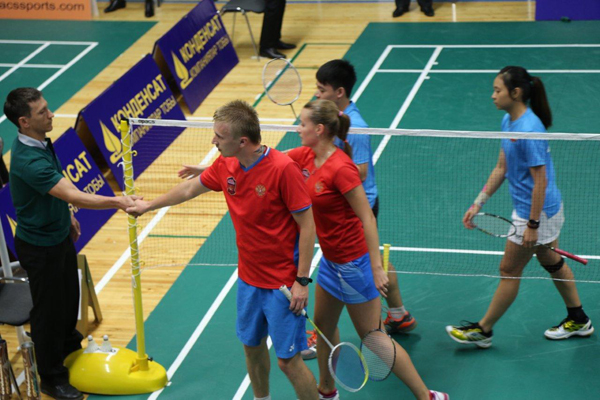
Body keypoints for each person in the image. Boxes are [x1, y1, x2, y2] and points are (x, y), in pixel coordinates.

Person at [127, 100, 319, 400]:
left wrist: (302, 281)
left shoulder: (283, 169)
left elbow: (308, 226)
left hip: (282, 284)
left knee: (289, 362)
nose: (213, 141)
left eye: (219, 136)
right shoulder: (226, 164)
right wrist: (149, 205)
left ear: (242, 141)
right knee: (252, 349)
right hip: (249, 280)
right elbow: (189, 188)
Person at [287, 99, 448, 400]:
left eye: (303, 123)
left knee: (374, 339)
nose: (298, 128)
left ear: (319, 129)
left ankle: (427, 396)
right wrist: (214, 169)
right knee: (323, 327)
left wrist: (376, 268)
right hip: (331, 263)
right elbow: (268, 164)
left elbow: (367, 218)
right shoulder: (306, 156)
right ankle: (327, 390)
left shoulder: (340, 168)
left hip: (353, 265)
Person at [4, 88, 137, 400]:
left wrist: (67, 217)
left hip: (58, 234)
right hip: (40, 247)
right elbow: (72, 193)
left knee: (67, 302)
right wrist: (118, 201)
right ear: (24, 122)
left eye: (47, 108)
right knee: (48, 312)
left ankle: (70, 352)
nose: (51, 114)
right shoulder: (28, 160)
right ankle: (51, 378)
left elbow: (61, 191)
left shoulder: (39, 141)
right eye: (42, 112)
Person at [446, 66, 594, 348]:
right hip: (533, 209)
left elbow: (541, 181)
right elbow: (502, 167)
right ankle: (578, 318)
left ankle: (483, 330)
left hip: (538, 212)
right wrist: (478, 202)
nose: (492, 95)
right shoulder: (508, 120)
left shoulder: (530, 129)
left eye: (497, 90)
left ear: (515, 93)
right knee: (550, 261)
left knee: (509, 269)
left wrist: (533, 225)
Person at [313, 59, 417, 344]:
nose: (317, 95)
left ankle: (364, 326)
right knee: (376, 260)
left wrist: (324, 165)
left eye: (322, 90)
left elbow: (359, 171)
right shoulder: (334, 118)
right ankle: (399, 313)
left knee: (361, 264)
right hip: (350, 203)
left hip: (359, 206)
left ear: (339, 92)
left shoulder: (355, 127)